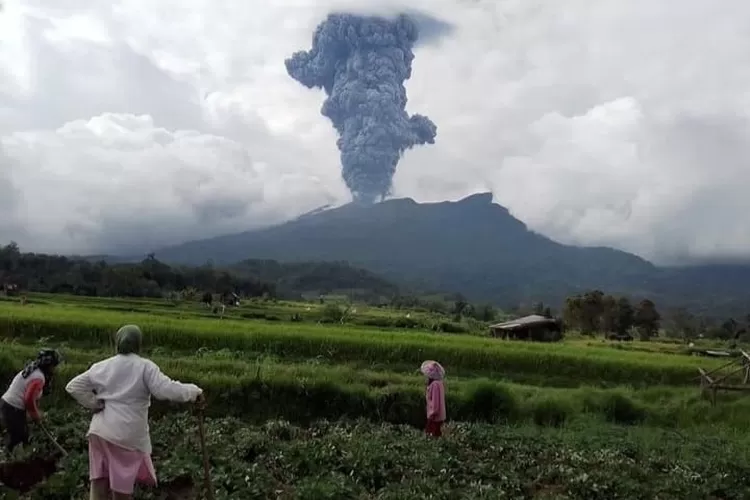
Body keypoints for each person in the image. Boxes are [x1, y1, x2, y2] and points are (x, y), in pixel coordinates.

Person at [65, 325, 204, 500]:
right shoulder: (145, 367)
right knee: (121, 489)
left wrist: (94, 404)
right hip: (125, 435)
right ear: (138, 344)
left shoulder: (101, 366)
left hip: (99, 432)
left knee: (98, 481)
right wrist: (194, 391)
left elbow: (73, 386)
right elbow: (165, 389)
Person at [0, 348, 62, 454]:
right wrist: (35, 416)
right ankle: (9, 462)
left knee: (22, 436)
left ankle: (15, 460)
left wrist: (34, 412)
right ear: (49, 365)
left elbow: (33, 399)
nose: (54, 369)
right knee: (17, 439)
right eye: (54, 366)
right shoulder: (38, 378)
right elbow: (28, 399)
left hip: (9, 405)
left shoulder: (33, 370)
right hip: (13, 408)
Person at [420, 360, 446, 438]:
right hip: (438, 416)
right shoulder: (439, 383)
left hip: (435, 417)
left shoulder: (434, 385)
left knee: (431, 436)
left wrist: (431, 414)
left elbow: (435, 404)